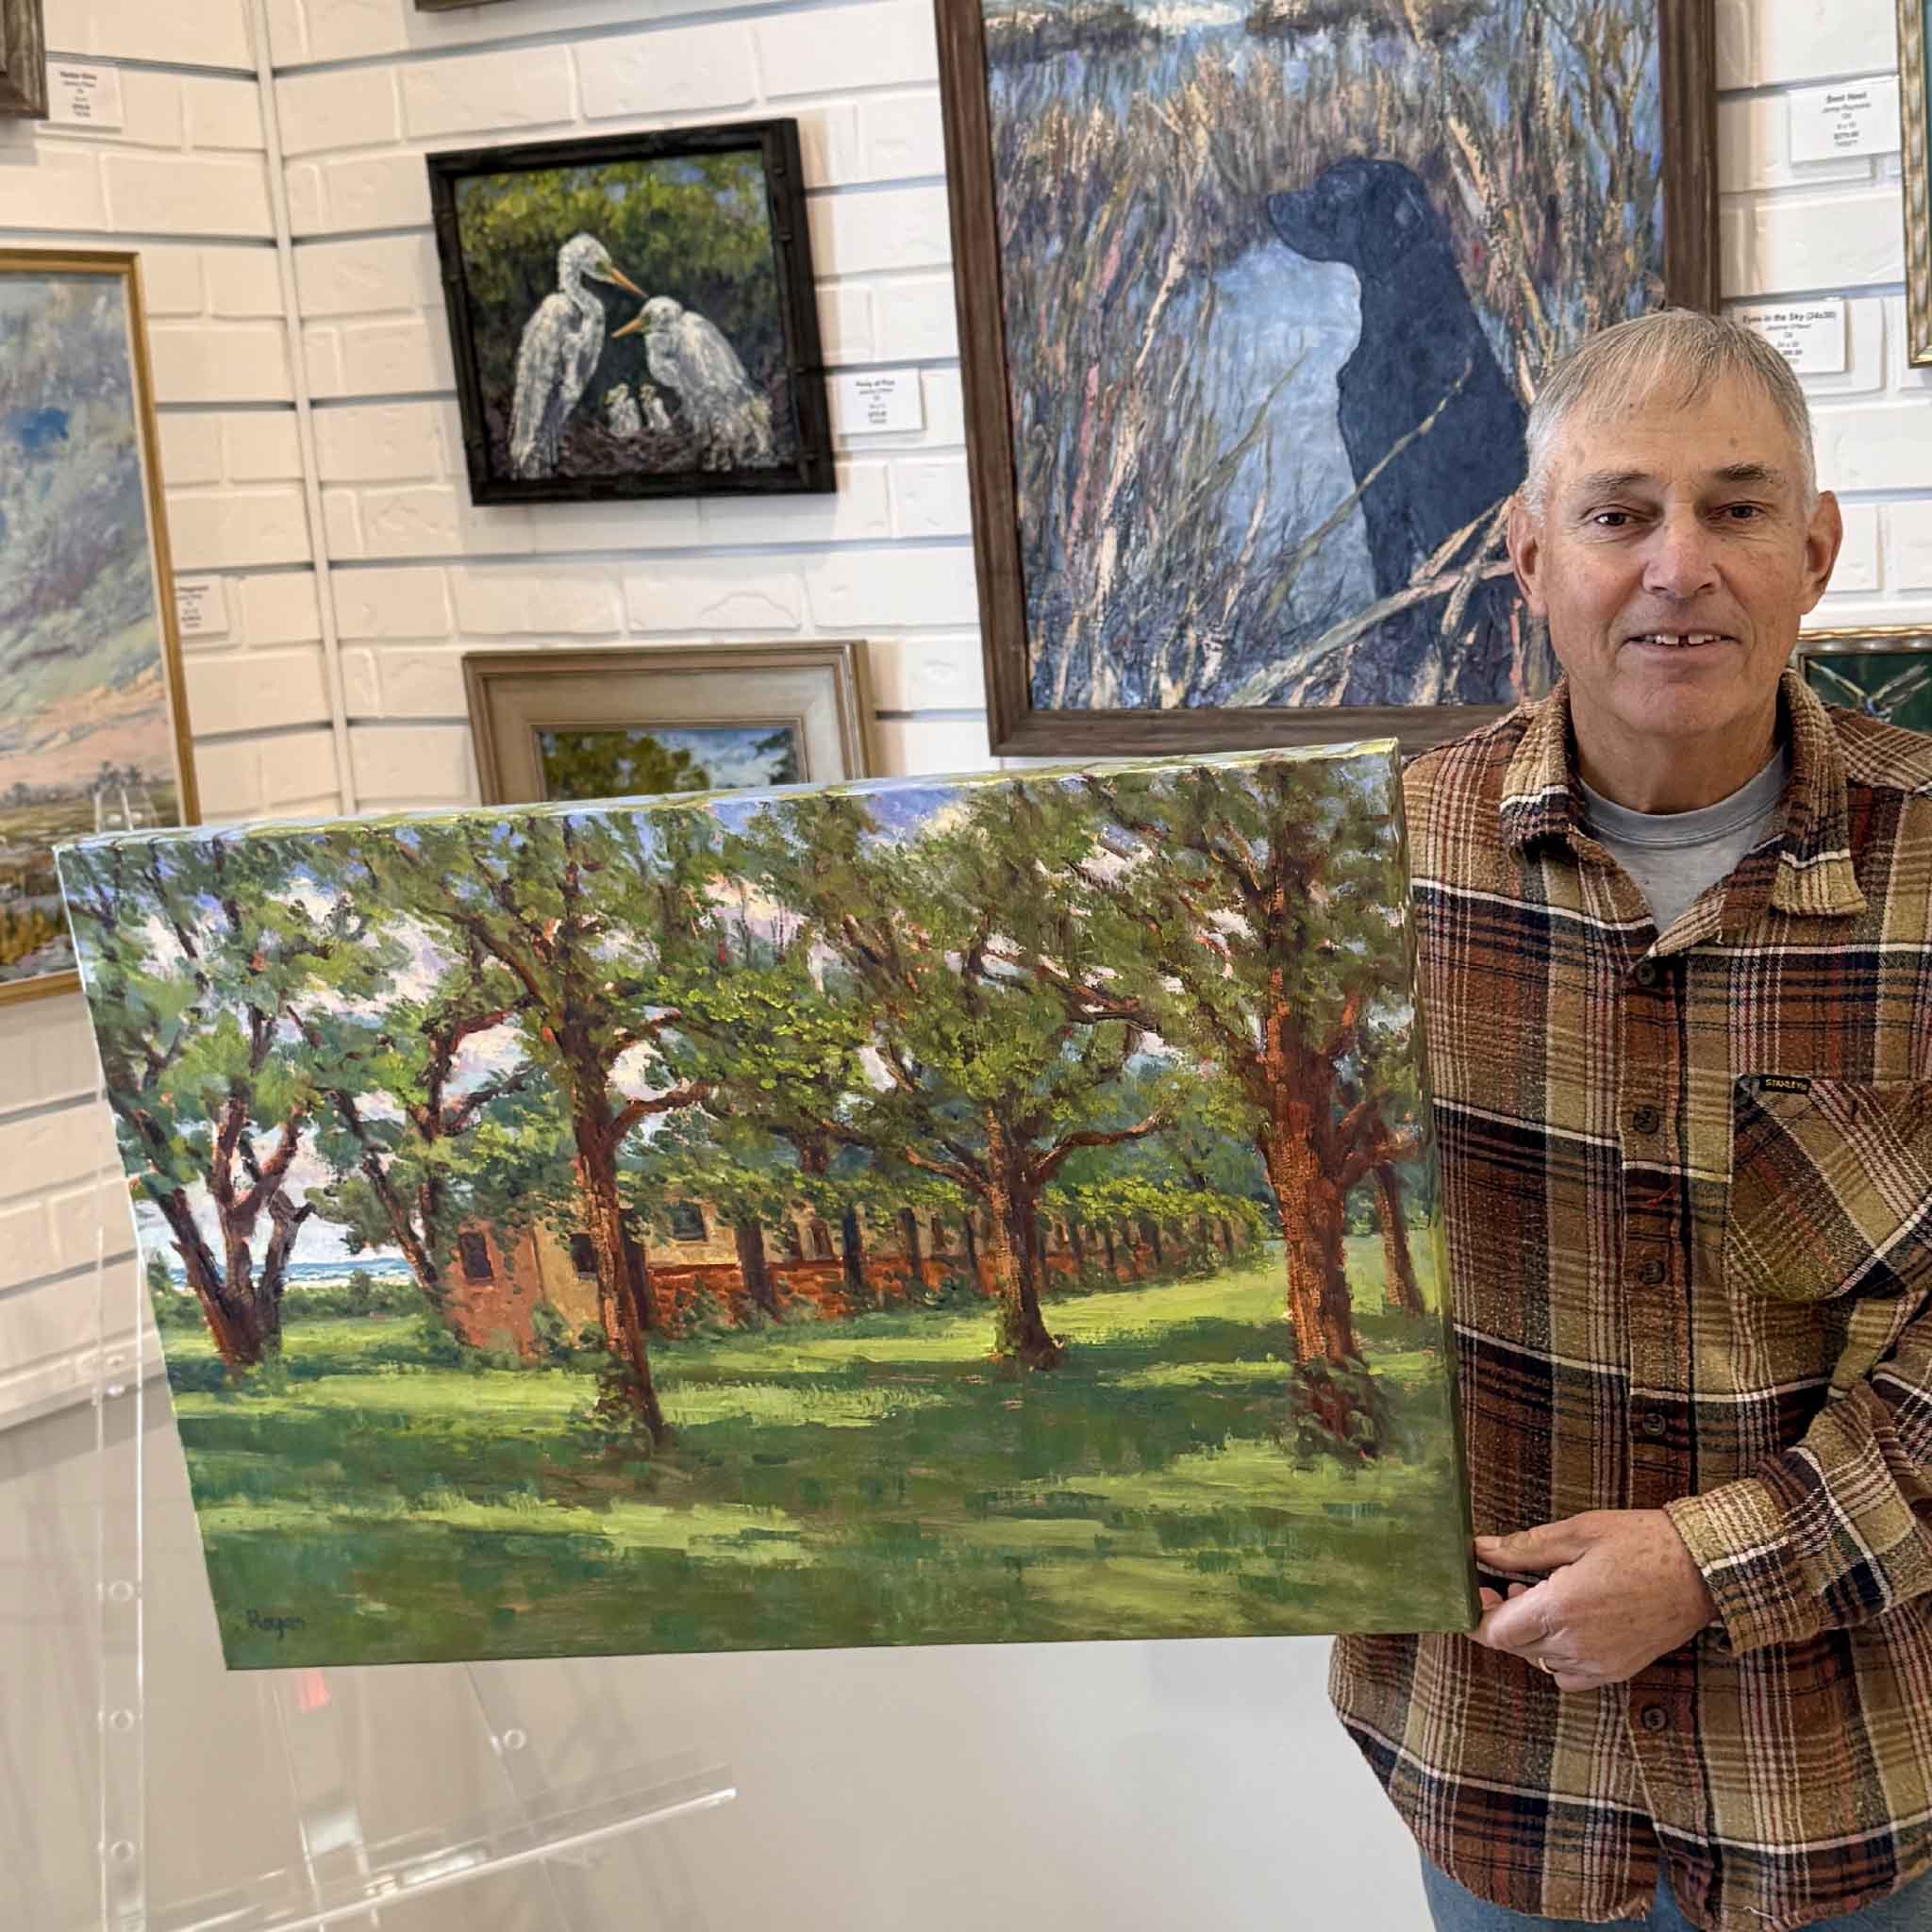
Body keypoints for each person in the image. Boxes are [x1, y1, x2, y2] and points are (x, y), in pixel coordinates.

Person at [1327, 308, 1932, 1932]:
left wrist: (1710, 1566)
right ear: (1528, 559)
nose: (1679, 566)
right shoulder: (1362, 873)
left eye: (1736, 510)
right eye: (1618, 513)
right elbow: (1286, 1263)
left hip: (1853, 1793)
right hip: (1503, 1781)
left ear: (1815, 551)